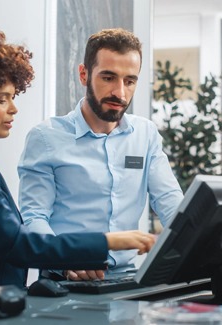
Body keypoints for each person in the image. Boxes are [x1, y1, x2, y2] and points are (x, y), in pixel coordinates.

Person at [0, 24, 155, 301]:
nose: (13, 108)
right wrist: (110, 241)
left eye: (13, 97)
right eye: (2, 99)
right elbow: (18, 244)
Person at [18, 28, 183, 281]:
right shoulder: (45, 137)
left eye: (129, 81)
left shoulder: (146, 134)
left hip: (129, 277)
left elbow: (171, 203)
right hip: (65, 278)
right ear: (84, 74)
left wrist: (197, 239)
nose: (120, 93)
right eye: (108, 78)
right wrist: (63, 260)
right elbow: (34, 217)